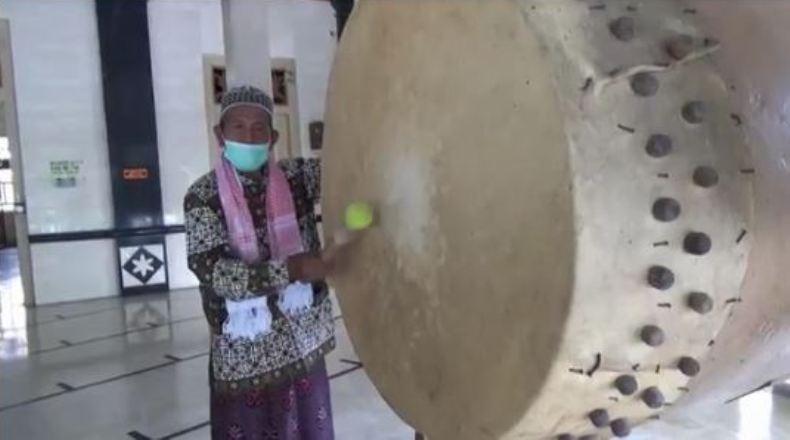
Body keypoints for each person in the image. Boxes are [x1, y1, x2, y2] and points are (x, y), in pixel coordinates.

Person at [184, 85, 339, 439]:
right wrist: (294, 269)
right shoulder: (202, 197)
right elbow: (216, 274)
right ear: (219, 134)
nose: (250, 136)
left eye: (259, 128)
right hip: (245, 356)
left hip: (303, 342)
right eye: (238, 127)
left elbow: (350, 171)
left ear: (273, 136)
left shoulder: (298, 177)